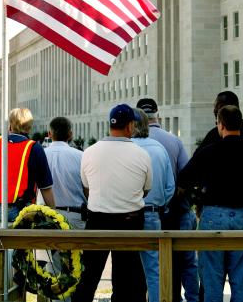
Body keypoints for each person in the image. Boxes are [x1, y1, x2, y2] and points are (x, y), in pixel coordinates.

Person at [178, 105, 243, 302]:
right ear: (240, 124)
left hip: (214, 216)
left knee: (212, 281)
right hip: (241, 216)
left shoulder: (210, 152)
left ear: (221, 125)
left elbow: (183, 180)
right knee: (240, 280)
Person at [71, 103, 152, 302]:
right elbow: (146, 189)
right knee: (129, 280)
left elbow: (86, 186)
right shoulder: (141, 154)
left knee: (88, 276)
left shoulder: (90, 152)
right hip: (130, 221)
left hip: (97, 219)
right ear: (131, 126)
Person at [136, 98, 199, 302]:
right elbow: (187, 175)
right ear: (158, 115)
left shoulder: (132, 143)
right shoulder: (173, 141)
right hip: (175, 210)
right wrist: (167, 200)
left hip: (139, 213)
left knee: (146, 267)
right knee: (186, 263)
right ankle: (189, 299)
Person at [0, 108, 55, 222]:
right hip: (22, 209)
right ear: (29, 127)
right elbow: (45, 188)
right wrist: (54, 215)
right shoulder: (34, 148)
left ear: (10, 125)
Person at [132, 108, 175, 302]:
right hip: (153, 214)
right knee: (153, 269)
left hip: (128, 214)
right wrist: (160, 205)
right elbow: (169, 187)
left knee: (127, 270)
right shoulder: (159, 148)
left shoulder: (128, 148)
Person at [37, 116, 87, 229]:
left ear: (49, 134)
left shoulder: (40, 155)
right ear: (70, 134)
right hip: (74, 215)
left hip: (45, 215)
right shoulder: (81, 156)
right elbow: (87, 188)